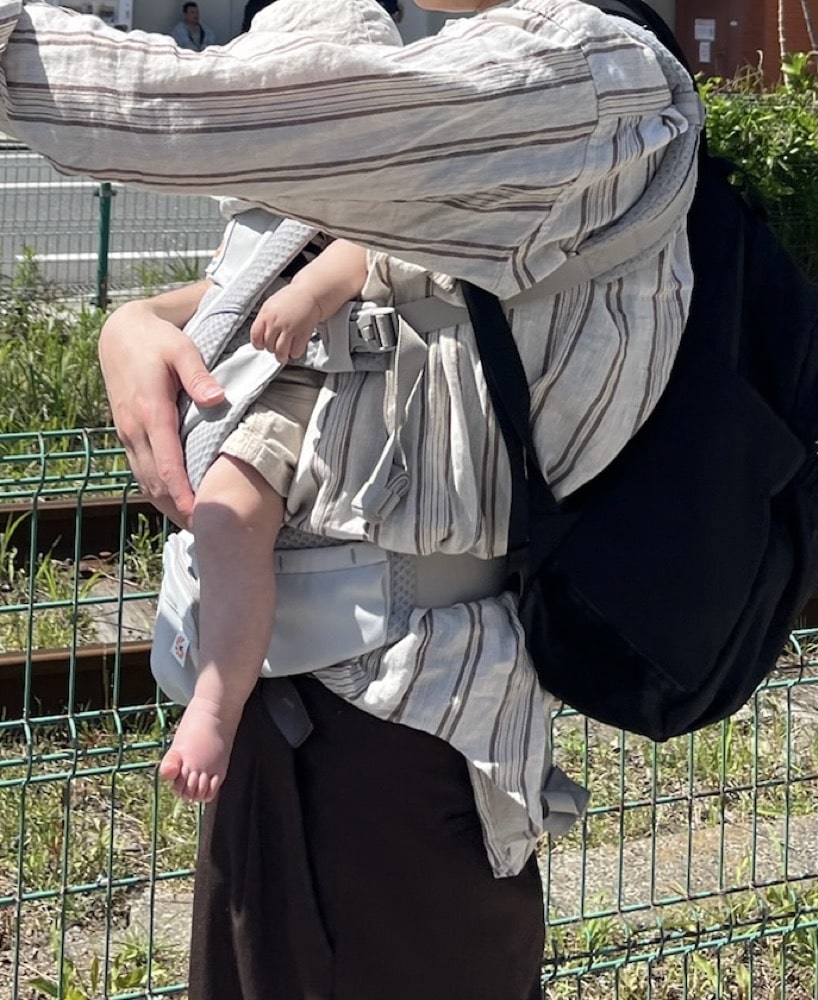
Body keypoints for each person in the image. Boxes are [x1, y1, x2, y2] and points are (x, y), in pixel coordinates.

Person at [0, 0, 702, 997]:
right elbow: (270, 266)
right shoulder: (450, 77)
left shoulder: (586, 71)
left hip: (409, 713)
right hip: (278, 710)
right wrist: (134, 321)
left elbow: (223, 114)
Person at [139, 231, 369, 803]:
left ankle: (215, 705)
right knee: (218, 523)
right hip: (255, 359)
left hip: (316, 363)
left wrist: (312, 292)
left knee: (227, 516)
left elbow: (380, 232)